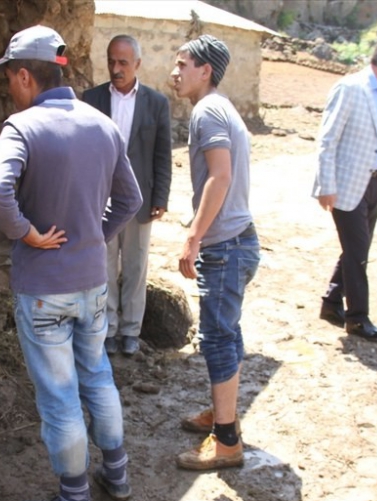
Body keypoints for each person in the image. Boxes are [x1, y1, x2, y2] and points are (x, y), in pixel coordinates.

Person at [0, 25, 143, 501]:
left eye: (10, 77)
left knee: (59, 393)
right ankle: (117, 474)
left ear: (26, 76)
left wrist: (26, 233)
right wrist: (95, 235)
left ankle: (73, 500)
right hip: (92, 282)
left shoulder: (22, 127)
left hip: (45, 289)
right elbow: (131, 199)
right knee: (98, 375)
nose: (10, 87)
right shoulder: (102, 124)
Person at [169, 35, 259, 470]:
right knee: (228, 333)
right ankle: (225, 415)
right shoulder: (220, 107)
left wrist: (194, 237)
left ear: (205, 71)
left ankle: (226, 441)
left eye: (183, 64)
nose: (174, 72)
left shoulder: (208, 111)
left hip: (225, 245)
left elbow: (219, 177)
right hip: (237, 240)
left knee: (218, 339)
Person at [312, 34, 377, 340]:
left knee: (357, 248)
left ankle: (332, 303)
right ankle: (357, 318)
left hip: (375, 182)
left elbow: (368, 135)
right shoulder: (350, 88)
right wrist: (326, 184)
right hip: (348, 185)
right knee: (357, 253)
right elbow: (327, 139)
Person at [82, 35, 173, 357]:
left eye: (123, 62)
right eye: (111, 61)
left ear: (137, 64)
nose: (116, 69)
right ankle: (107, 328)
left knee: (136, 265)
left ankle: (131, 330)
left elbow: (162, 154)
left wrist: (161, 196)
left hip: (140, 199)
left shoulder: (156, 103)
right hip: (101, 198)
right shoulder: (91, 100)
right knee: (104, 265)